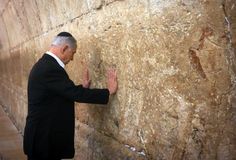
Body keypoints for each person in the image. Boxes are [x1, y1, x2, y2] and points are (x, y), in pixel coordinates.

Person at [23, 32, 118, 160]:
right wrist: (108, 91)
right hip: (43, 139)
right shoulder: (50, 68)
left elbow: (63, 92)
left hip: (43, 137)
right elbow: (73, 94)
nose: (72, 58)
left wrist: (82, 88)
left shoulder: (46, 64)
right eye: (73, 53)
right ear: (64, 48)